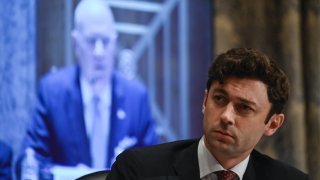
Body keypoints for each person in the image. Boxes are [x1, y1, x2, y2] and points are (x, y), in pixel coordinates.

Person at [107, 48, 309, 180]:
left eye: (244, 108)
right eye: (219, 99)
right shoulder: (138, 171)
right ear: (205, 101)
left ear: (272, 124)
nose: (226, 116)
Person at [18, 0, 158, 173]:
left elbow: (155, 166)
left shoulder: (136, 98)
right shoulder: (52, 93)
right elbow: (31, 161)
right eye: (91, 41)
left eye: (105, 41)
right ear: (76, 44)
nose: (99, 52)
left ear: (114, 42)